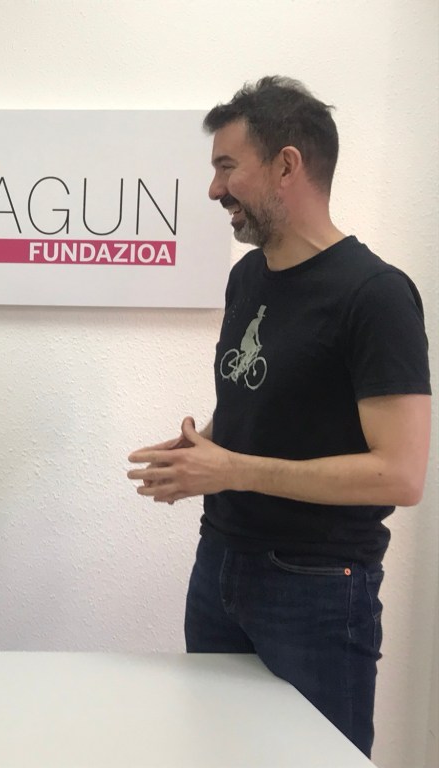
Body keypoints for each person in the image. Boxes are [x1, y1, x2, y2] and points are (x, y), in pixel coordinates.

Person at [126, 76, 430, 757]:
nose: (214, 190)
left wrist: (232, 468)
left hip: (317, 591)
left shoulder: (376, 296)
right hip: (220, 568)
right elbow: (267, 407)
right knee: (214, 753)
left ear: (286, 165)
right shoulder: (248, 278)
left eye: (227, 167)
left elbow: (400, 474)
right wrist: (203, 450)